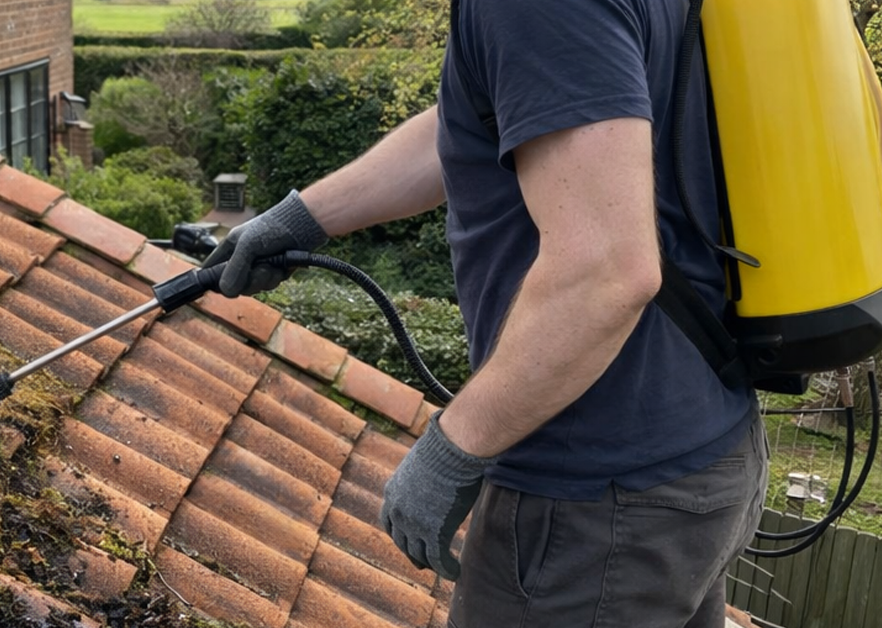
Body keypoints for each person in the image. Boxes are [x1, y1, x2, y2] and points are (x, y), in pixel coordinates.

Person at [203, 1, 768, 625]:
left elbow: (605, 272)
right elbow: (507, 104)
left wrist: (454, 448)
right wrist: (302, 218)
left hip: (592, 504)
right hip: (705, 442)